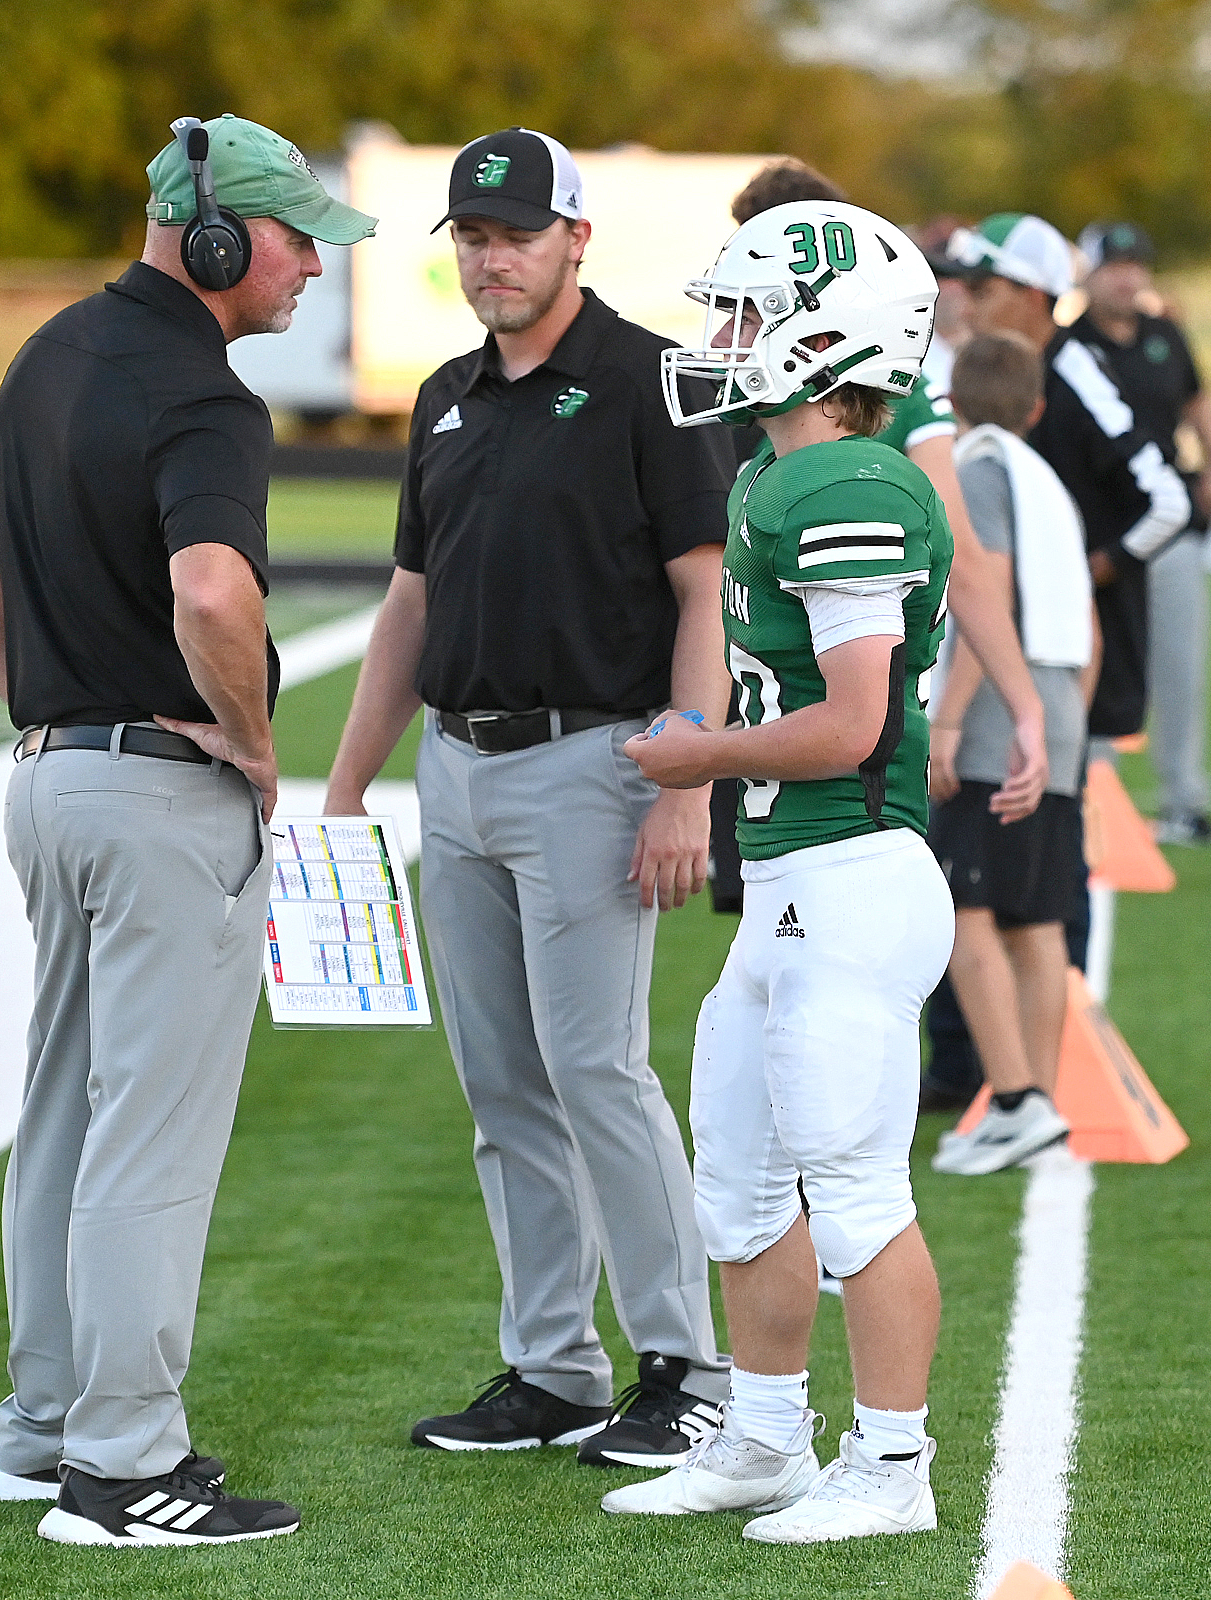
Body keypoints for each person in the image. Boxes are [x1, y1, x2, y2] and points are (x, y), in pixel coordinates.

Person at [0, 113, 377, 1547]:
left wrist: (50, 705)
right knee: (152, 1143)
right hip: (161, 798)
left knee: (63, 1111)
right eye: (298, 240)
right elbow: (214, 592)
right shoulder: (202, 395)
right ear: (218, 238)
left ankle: (43, 1432)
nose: (315, 269)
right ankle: (121, 1468)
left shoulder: (50, 351)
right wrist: (251, 739)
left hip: (52, 785)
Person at [322, 127, 734, 1468]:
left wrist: (685, 777)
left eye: (516, 234)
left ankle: (687, 1366)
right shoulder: (444, 395)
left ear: (575, 239)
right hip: (455, 769)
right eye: (473, 236)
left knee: (597, 1069)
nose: (492, 258)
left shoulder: (648, 381)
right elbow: (410, 602)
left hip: (596, 763)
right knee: (500, 1080)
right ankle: (553, 1368)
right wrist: (347, 785)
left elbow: (704, 591)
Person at [603, 200, 955, 1543]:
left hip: (853, 874)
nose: (720, 338)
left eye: (744, 313)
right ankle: (761, 1437)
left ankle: (893, 1464)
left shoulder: (847, 483)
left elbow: (853, 722)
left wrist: (700, 755)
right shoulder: (770, 471)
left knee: (856, 1191)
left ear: (823, 334)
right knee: (741, 1185)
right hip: (791, 880)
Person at [710, 159, 1048, 939]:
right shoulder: (763, 424)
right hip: (770, 709)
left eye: (761, 299)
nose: (733, 330)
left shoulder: (882, 397)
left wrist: (1022, 704)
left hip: (834, 752)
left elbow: (965, 558)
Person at [927, 333, 1100, 1176]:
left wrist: (949, 719)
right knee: (1037, 919)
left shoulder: (980, 470)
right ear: (1037, 407)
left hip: (998, 714)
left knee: (965, 908)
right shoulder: (1047, 481)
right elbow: (1090, 629)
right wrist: (1068, 725)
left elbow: (982, 594)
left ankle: (1014, 1099)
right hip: (1056, 705)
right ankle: (1038, 1105)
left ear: (951, 403)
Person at [948, 213, 1191, 752]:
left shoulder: (1077, 373)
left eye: (982, 291)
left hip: (1076, 656)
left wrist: (1084, 573)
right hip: (1004, 646)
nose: (966, 308)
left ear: (1033, 295)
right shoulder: (991, 372)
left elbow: (1168, 500)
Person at [1073, 220, 1211, 844]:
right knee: (1100, 661)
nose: (1127, 278)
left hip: (1171, 522)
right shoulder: (1072, 345)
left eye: (1136, 265)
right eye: (1115, 266)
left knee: (1182, 663)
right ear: (1089, 272)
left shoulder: (1164, 335)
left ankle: (1185, 798)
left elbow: (1197, 401)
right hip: (1105, 529)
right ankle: (1092, 801)